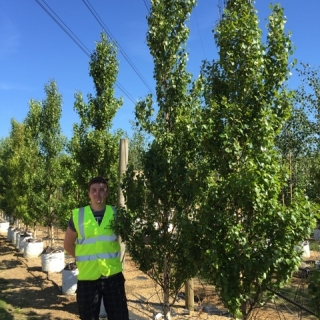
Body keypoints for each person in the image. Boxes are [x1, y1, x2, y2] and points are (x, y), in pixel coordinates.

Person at [64, 176, 129, 320]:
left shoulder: (116, 214)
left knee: (120, 316)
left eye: (101, 190)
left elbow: (130, 235)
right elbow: (68, 245)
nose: (97, 193)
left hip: (113, 276)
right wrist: (83, 259)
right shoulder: (78, 215)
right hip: (87, 277)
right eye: (93, 190)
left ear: (107, 193)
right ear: (88, 193)